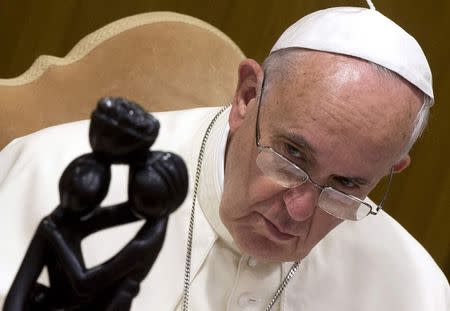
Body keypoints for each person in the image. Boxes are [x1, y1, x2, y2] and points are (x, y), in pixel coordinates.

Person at [0, 4, 449, 311]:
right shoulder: (57, 175)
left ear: (391, 171)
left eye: (346, 185)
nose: (299, 210)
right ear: (247, 96)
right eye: (292, 154)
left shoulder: (415, 289)